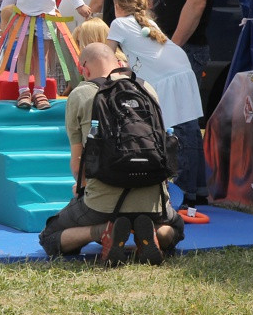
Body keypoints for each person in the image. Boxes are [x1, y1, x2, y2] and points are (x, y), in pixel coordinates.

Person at [38, 42, 184, 265]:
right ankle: (153, 232)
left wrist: (81, 187)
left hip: (102, 203)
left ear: (84, 69)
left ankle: (102, 231)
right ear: (118, 63)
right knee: (175, 228)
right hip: (152, 198)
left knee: (49, 238)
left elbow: (78, 165)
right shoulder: (146, 88)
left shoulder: (81, 94)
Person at [107, 0, 206, 209]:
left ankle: (183, 191)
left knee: (178, 133)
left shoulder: (119, 23)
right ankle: (198, 190)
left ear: (118, 5)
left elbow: (107, 53)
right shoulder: (147, 22)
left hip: (168, 79)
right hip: (180, 71)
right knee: (190, 129)